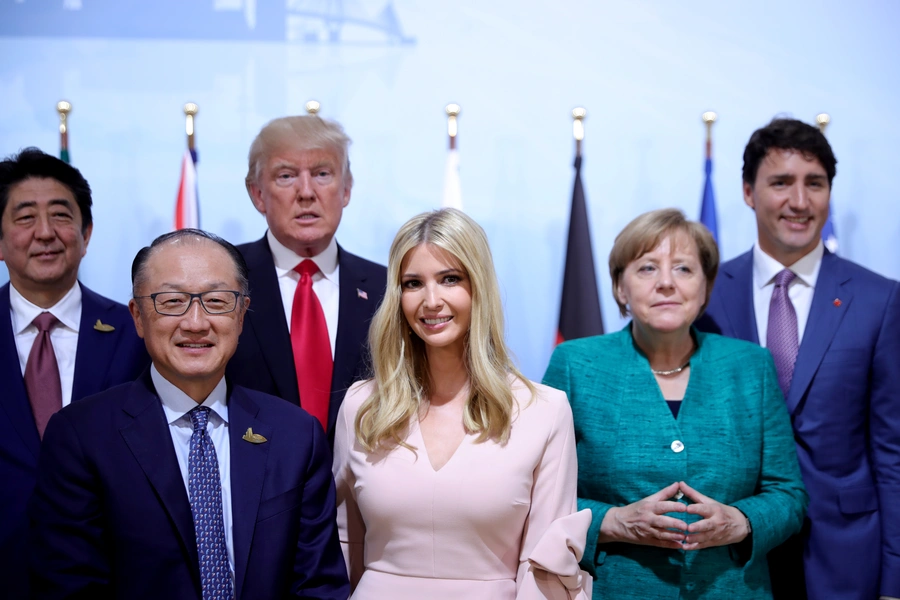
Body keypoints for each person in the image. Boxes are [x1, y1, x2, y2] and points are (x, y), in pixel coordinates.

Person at [29, 229, 349, 599]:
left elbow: (318, 586)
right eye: (172, 301)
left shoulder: (295, 436)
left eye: (216, 301)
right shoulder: (82, 436)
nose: (195, 323)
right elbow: (68, 586)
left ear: (242, 315)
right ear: (137, 316)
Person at [544, 208, 807, 599]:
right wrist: (614, 521)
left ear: (705, 287)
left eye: (683, 269)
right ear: (620, 288)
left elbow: (788, 492)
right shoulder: (576, 365)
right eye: (647, 268)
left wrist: (741, 521)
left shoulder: (751, 367)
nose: (666, 283)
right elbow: (543, 495)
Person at [332, 208, 592, 599]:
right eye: (413, 283)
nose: (431, 300)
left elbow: (545, 566)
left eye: (450, 279)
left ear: (479, 287)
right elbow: (344, 543)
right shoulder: (361, 405)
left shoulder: (545, 410)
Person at [696, 118, 900, 600]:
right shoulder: (702, 297)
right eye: (781, 182)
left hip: (847, 557)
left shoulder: (880, 300)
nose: (800, 202)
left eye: (816, 183)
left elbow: (893, 451)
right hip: (730, 558)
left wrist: (895, 578)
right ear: (748, 192)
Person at [0, 147, 148, 598]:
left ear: (86, 233)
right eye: (25, 217)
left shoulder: (138, 331)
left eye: (61, 216)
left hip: (112, 573)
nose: (45, 233)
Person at [228, 115, 387, 443]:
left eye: (322, 174)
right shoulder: (221, 280)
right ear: (257, 194)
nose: (306, 192)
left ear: (346, 189)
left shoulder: (388, 288)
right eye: (286, 176)